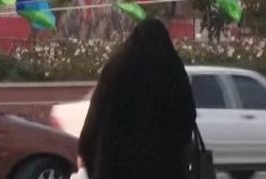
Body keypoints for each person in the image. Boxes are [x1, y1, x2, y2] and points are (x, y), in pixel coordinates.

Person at [78, 18, 198, 179]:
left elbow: (97, 112)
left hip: (116, 164)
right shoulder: (172, 70)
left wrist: (84, 149)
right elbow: (187, 115)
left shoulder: (117, 68)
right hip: (164, 166)